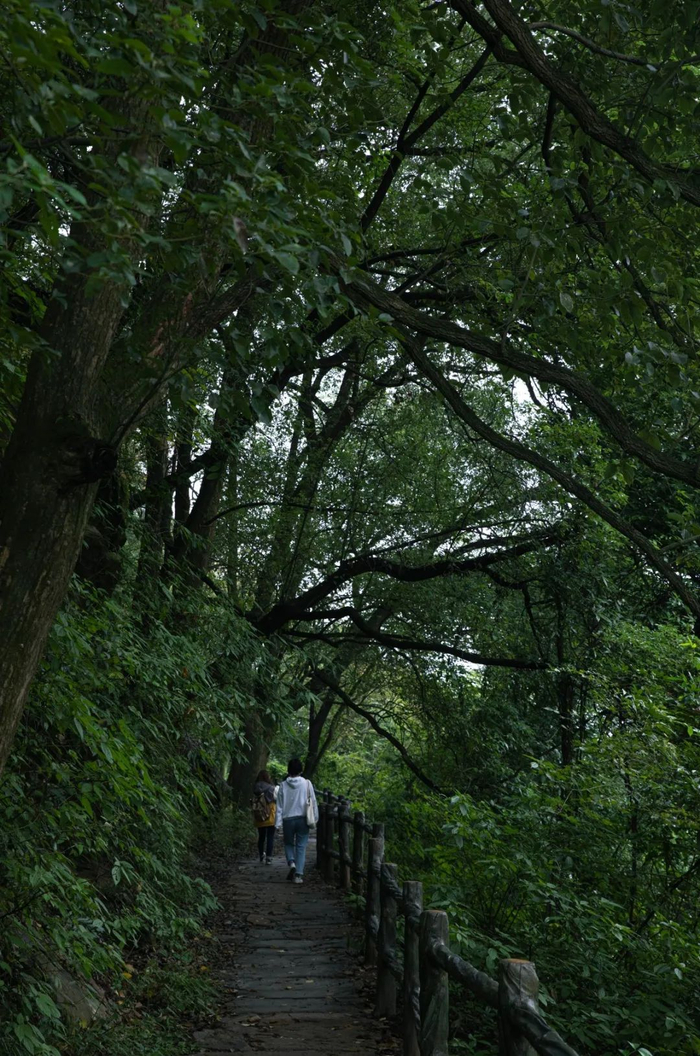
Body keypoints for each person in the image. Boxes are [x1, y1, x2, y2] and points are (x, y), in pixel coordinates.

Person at [275, 758, 318, 884]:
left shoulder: (283, 785)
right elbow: (313, 801)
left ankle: (291, 863)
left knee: (288, 843)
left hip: (288, 819)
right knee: (301, 846)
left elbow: (279, 806)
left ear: (288, 770)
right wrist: (315, 818)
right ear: (301, 770)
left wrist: (277, 824)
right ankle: (298, 875)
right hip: (303, 819)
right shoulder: (307, 783)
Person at [252, 769, 277, 864]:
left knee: (261, 836)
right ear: (267, 777)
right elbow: (276, 799)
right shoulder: (272, 788)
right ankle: (269, 858)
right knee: (270, 836)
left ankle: (261, 855)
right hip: (270, 814)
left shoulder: (255, 787)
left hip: (260, 814)